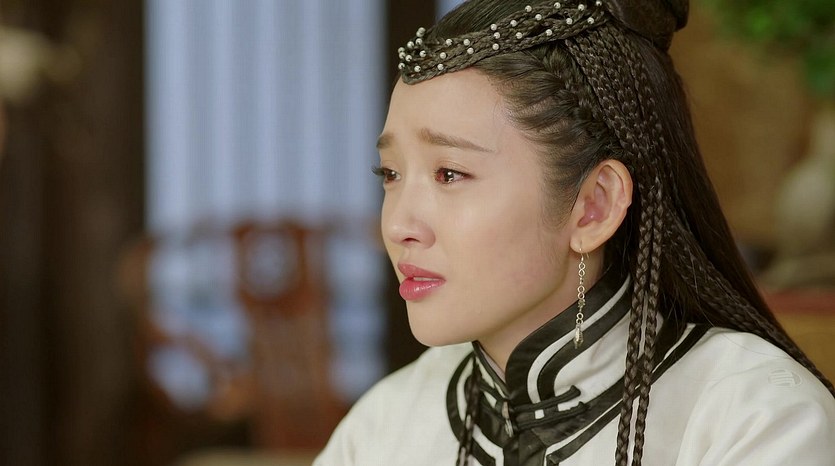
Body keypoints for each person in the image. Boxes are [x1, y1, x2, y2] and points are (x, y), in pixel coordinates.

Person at [314, 0, 835, 464]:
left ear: (594, 207)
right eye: (390, 174)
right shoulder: (386, 422)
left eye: (450, 174)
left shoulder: (756, 419)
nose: (398, 225)